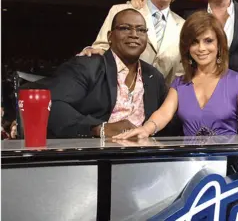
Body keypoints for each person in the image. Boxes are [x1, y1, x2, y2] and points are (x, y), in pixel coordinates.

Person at [113, 11, 238, 139]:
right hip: (187, 166)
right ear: (187, 48)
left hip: (226, 165)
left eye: (208, 41)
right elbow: (163, 114)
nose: (201, 48)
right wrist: (146, 129)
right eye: (194, 42)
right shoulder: (180, 84)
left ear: (219, 45)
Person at [47, 9, 170, 138]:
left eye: (141, 30)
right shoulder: (87, 66)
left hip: (142, 154)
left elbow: (169, 119)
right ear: (110, 36)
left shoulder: (154, 77)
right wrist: (98, 129)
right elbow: (54, 104)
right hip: (95, 153)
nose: (134, 34)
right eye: (125, 28)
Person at [78, 0, 185, 85]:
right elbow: (100, 48)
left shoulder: (184, 27)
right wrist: (91, 52)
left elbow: (180, 73)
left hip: (161, 101)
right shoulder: (120, 11)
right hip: (117, 96)